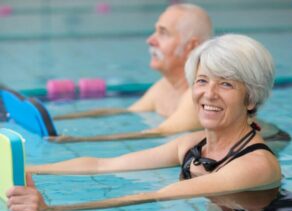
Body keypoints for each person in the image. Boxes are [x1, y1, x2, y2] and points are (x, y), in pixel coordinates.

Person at [7, 34, 282, 211]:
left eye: (225, 84)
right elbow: (104, 165)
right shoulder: (192, 144)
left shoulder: (255, 165)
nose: (208, 94)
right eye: (202, 80)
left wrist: (51, 210)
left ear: (251, 98)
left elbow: (155, 195)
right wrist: (22, 167)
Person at [49, 3, 213, 142]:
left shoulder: (197, 96)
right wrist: (54, 119)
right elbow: (126, 112)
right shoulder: (165, 86)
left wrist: (78, 140)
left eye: (163, 33)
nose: (150, 40)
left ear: (191, 46)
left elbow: (159, 132)